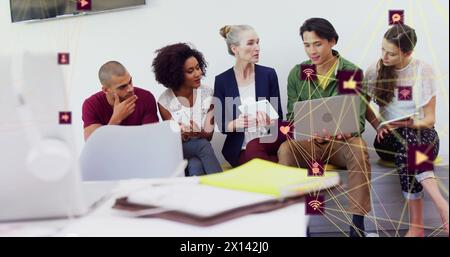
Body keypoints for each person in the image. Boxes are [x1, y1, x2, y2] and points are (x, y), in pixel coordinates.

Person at [277, 18, 372, 237]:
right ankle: (298, 225)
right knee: (286, 150)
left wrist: (345, 130)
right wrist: (302, 128)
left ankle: (357, 225)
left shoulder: (350, 72)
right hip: (310, 143)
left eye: (317, 44)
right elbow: (292, 115)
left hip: (340, 143)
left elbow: (357, 121)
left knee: (358, 147)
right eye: (307, 45)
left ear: (332, 41)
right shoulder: (297, 73)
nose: (312, 50)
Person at [365, 24, 448, 236]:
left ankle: (417, 228)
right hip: (387, 140)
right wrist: (379, 125)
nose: (384, 56)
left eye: (391, 53)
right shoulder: (374, 70)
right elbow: (361, 105)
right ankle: (442, 205)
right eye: (383, 49)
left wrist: (408, 123)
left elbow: (429, 119)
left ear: (408, 53)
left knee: (410, 142)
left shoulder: (423, 70)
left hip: (421, 134)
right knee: (408, 141)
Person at [214, 24, 285, 168]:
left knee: (261, 154)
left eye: (258, 42)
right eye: (251, 43)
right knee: (254, 156)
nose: (257, 48)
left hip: (268, 142)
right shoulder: (222, 81)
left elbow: (279, 116)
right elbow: (222, 125)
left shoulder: (268, 74)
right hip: (241, 148)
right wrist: (236, 123)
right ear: (235, 49)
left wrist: (268, 119)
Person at [153, 43, 222, 176]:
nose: (198, 74)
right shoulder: (165, 101)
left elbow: (209, 135)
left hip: (200, 145)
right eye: (190, 71)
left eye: (198, 68)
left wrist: (197, 132)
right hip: (179, 150)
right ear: (176, 74)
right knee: (202, 146)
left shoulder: (208, 94)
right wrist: (184, 134)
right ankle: (222, 184)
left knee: (196, 163)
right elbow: (174, 141)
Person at [82, 61, 159, 141]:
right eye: (122, 87)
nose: (130, 89)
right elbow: (92, 144)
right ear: (106, 90)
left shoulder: (146, 98)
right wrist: (116, 119)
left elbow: (151, 139)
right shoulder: (91, 105)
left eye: (130, 82)